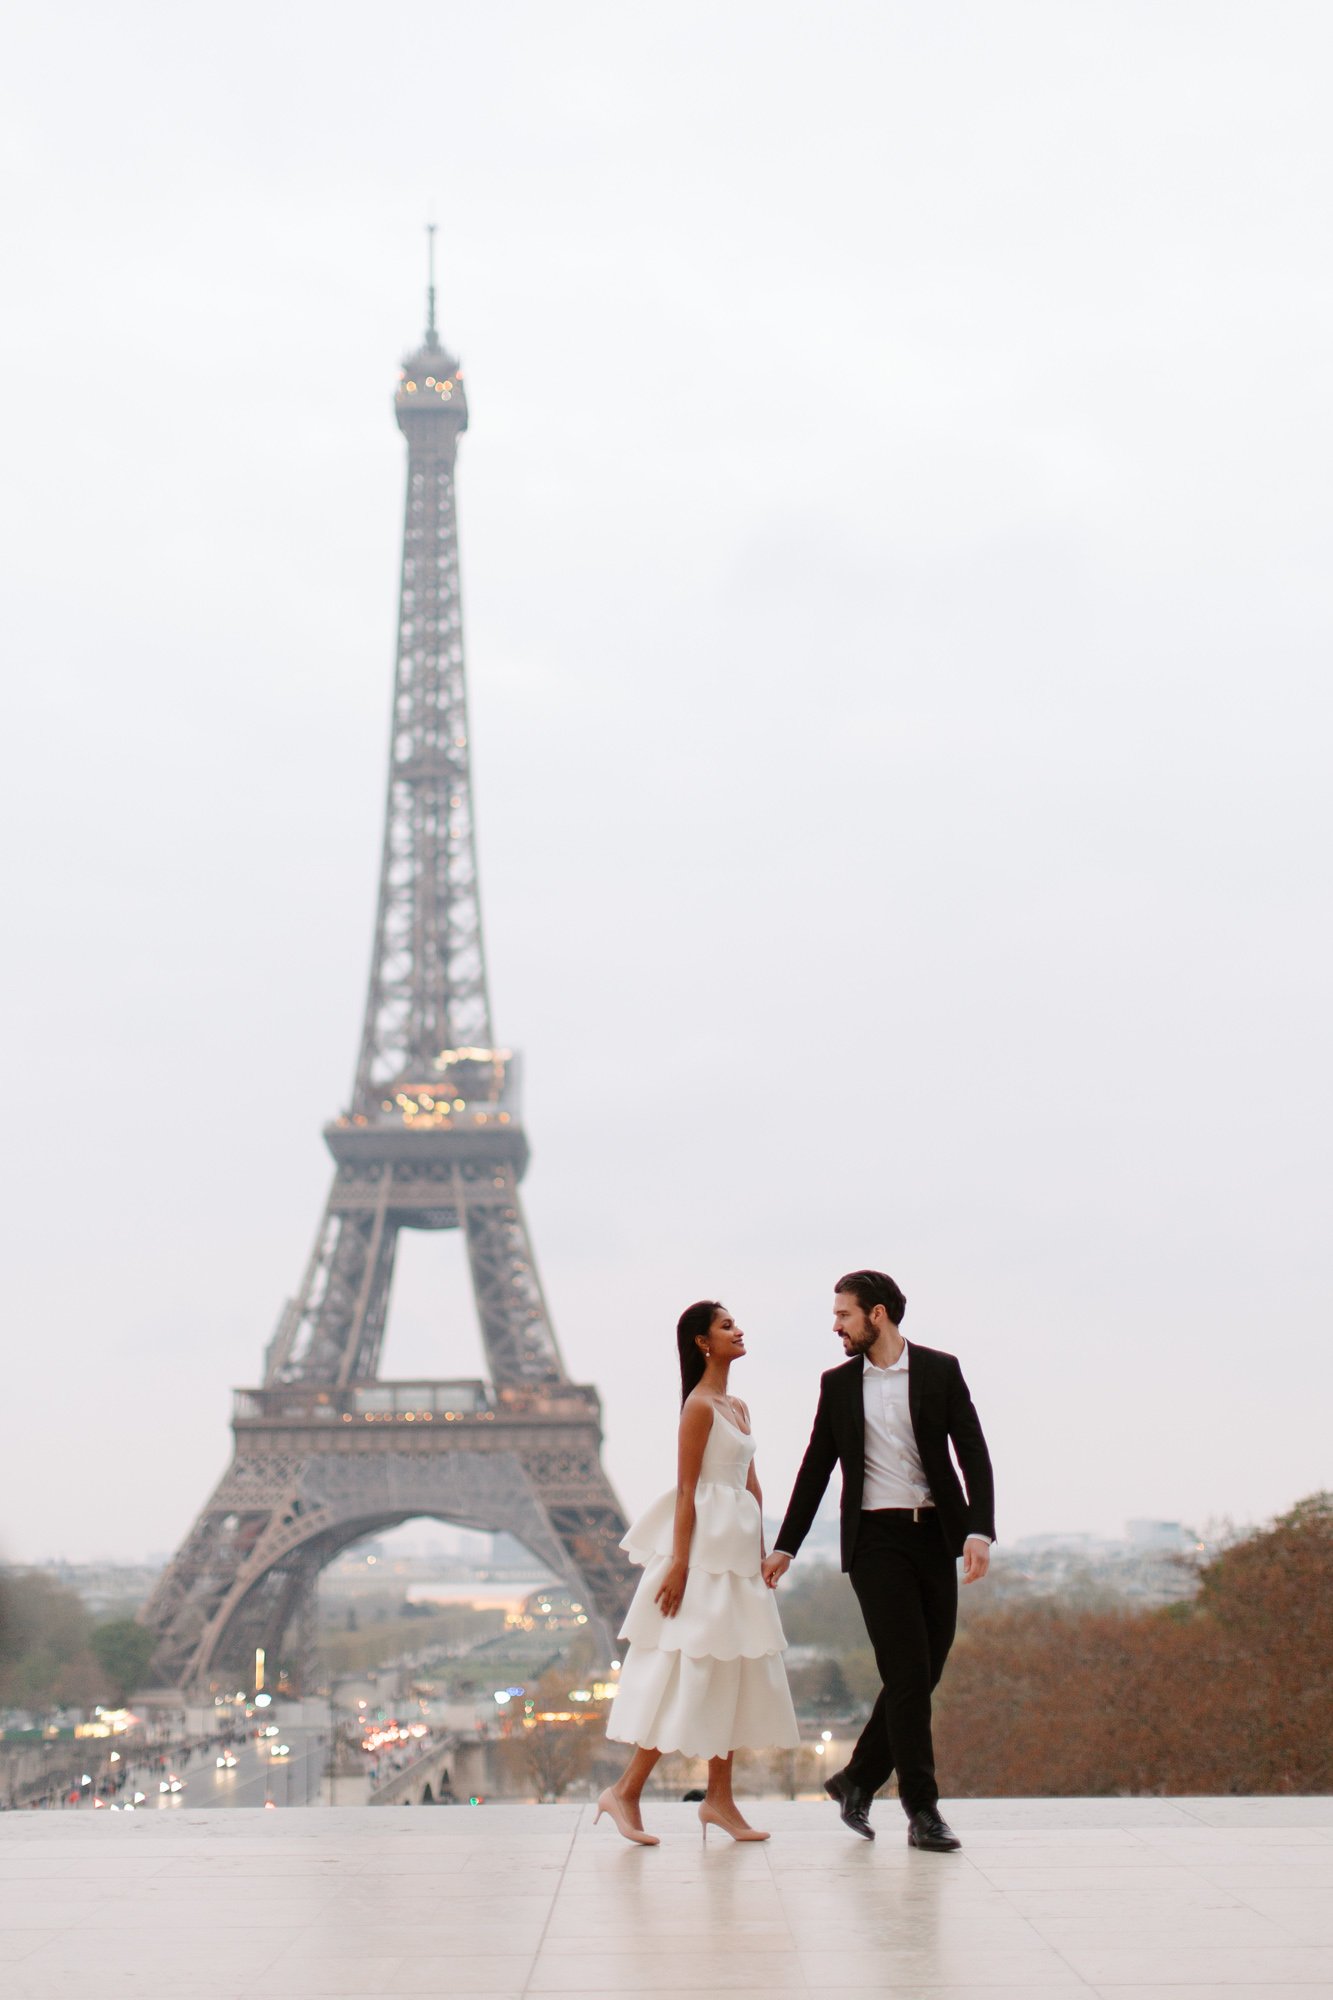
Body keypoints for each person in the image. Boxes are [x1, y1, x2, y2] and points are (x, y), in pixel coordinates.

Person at [762, 1269, 995, 1851]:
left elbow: (974, 1454)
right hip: (874, 1544)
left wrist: (978, 1531)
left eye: (844, 1314)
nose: (835, 1325)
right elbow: (816, 1467)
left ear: (879, 1314)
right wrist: (786, 1545)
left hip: (933, 1536)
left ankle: (856, 1778)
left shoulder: (940, 1371)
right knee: (909, 1676)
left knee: (924, 1672)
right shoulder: (837, 1385)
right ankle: (923, 1812)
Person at [597, 1300, 800, 1844]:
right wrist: (680, 1566)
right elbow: (687, 1490)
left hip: (735, 1559)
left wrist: (760, 1556)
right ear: (702, 1342)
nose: (739, 1330)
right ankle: (626, 1791)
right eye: (727, 1325)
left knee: (728, 1670)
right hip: (705, 1555)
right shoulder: (699, 1408)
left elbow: (752, 1487)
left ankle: (719, 1800)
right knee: (694, 1672)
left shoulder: (737, 1406)